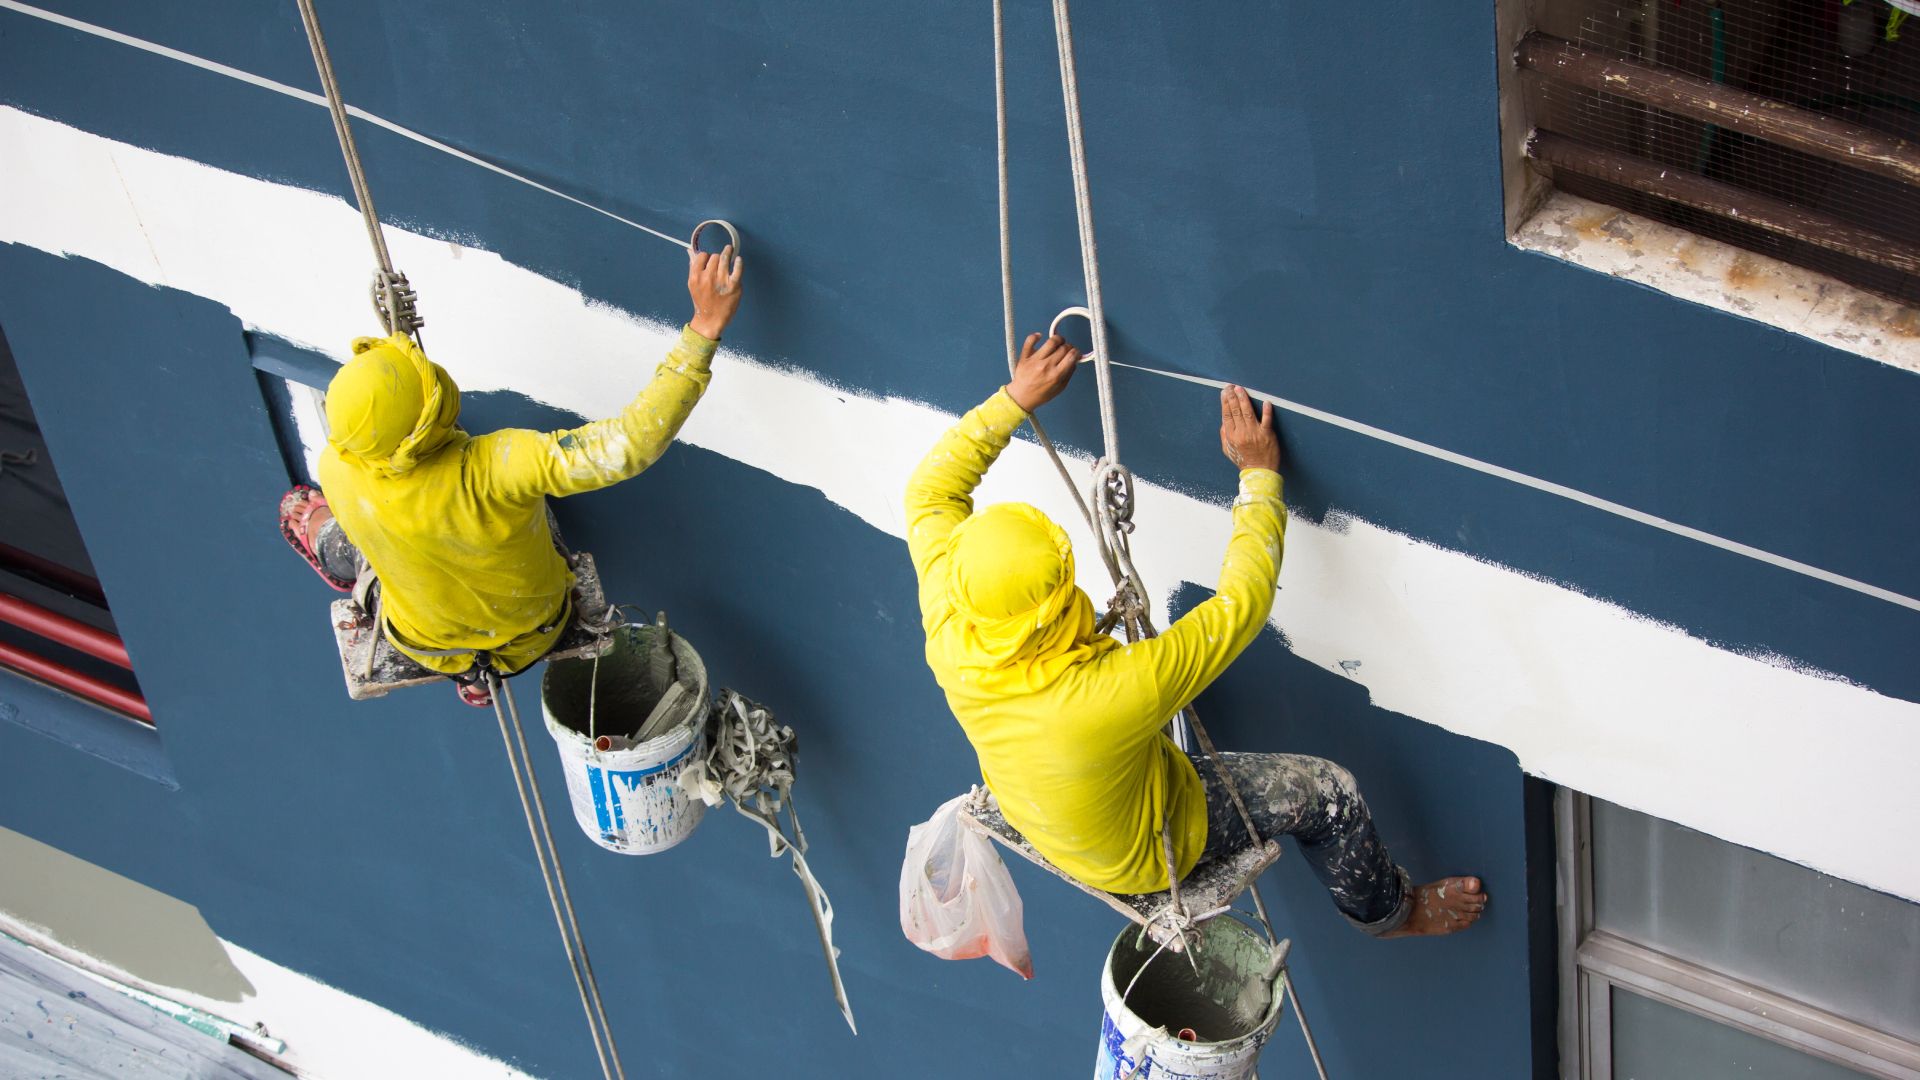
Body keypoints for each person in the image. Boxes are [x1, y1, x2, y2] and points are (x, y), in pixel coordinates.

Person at [904, 333, 1486, 938]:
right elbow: (1240, 606)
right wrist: (1260, 477)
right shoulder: (1108, 694)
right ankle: (1391, 914)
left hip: (1050, 816)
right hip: (1146, 855)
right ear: (1053, 605)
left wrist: (1015, 398)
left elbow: (930, 492)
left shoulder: (950, 610)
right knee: (1327, 792)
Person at [280, 245, 744, 706]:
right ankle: (468, 655)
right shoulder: (498, 466)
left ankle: (328, 544)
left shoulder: (336, 467)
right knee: (527, 505)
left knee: (361, 542)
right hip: (534, 634)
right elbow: (625, 446)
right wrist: (705, 325)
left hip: (429, 646)